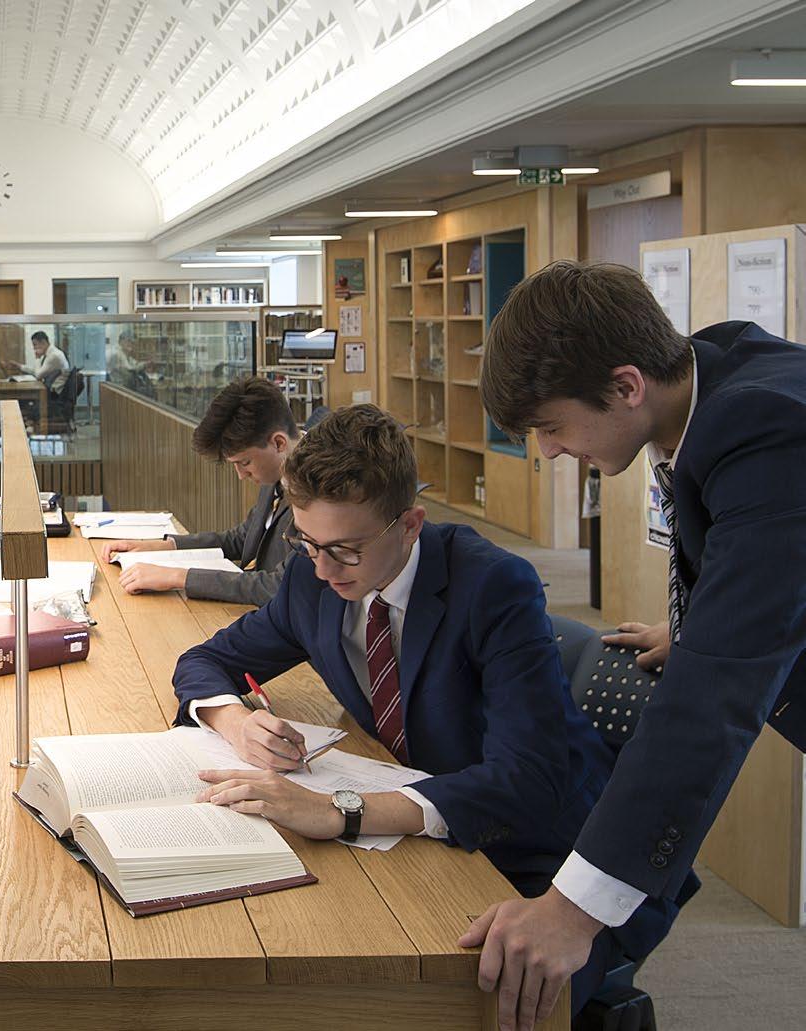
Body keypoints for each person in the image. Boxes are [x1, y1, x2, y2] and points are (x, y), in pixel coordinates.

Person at [171, 405, 683, 1021]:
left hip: (545, 861)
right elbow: (204, 661)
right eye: (307, 542)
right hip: (420, 833)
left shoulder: (494, 587)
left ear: (410, 525)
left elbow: (527, 779)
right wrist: (236, 723)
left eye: (346, 549)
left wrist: (342, 812)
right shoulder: (312, 578)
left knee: (461, 1003)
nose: (323, 568)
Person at [466, 259, 806, 1029]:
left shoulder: (766, 431)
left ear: (625, 385)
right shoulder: (712, 372)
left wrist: (571, 909)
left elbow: (708, 702)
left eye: (552, 426)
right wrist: (699, 624)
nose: (549, 451)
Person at [99, 376, 297, 606]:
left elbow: (281, 586)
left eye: (245, 463)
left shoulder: (317, 490)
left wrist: (179, 577)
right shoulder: (276, 470)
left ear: (279, 443)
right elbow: (244, 538)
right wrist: (161, 546)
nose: (241, 475)